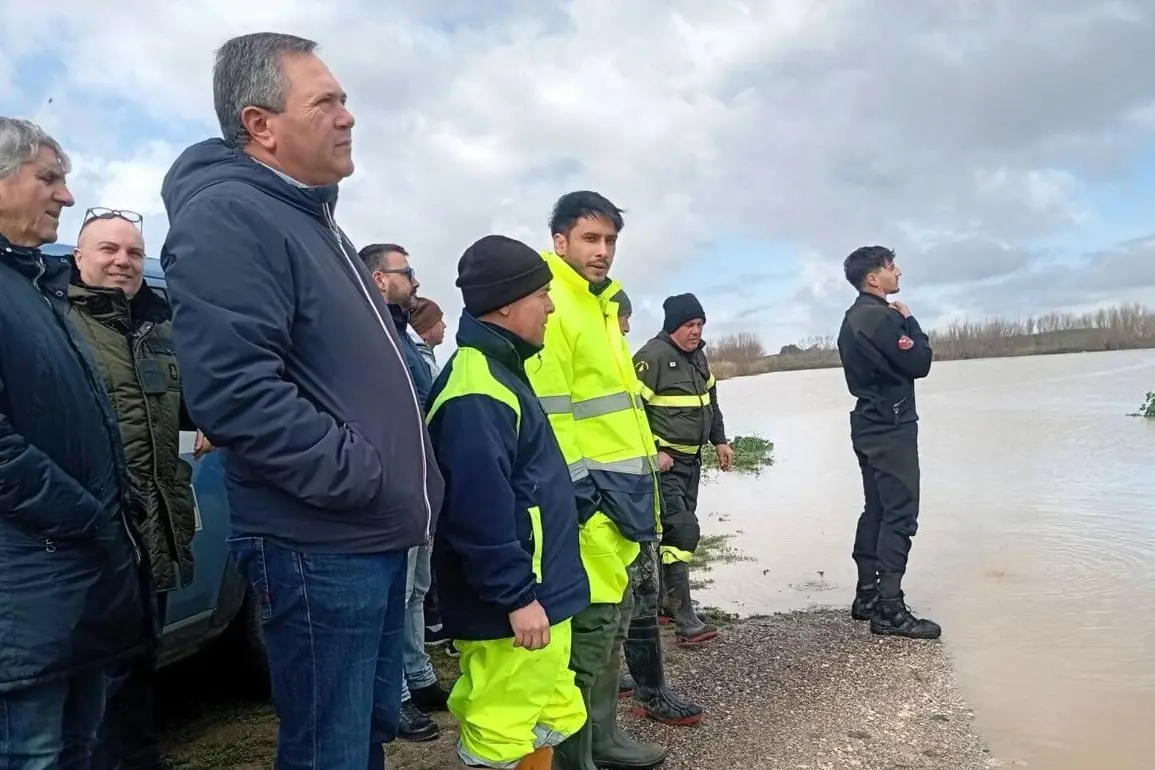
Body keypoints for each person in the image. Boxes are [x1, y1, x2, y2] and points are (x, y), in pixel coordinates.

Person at [158, 33, 444, 768]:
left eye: (345, 99)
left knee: (364, 733)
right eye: (326, 101)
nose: (347, 115)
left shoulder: (311, 219)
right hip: (322, 542)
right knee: (330, 749)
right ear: (261, 124)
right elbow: (234, 391)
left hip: (366, 534)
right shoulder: (228, 216)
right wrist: (358, 475)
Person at [0, 117, 147, 768]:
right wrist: (89, 517)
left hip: (75, 581)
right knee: (35, 754)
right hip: (27, 593)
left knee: (79, 749)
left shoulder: (36, 289)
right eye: (49, 178)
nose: (64, 195)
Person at [427, 234, 591, 770]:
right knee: (500, 729)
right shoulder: (476, 388)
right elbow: (477, 513)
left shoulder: (503, 370)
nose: (549, 306)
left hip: (541, 592)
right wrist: (516, 597)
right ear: (505, 303)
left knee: (545, 712)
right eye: (541, 294)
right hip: (514, 608)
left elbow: (527, 484)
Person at [527, 190, 677, 768]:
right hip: (590, 504)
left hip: (625, 499)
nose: (604, 251)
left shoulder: (600, 305)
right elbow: (553, 417)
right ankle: (576, 758)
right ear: (559, 241)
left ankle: (605, 739)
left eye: (611, 240)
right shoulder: (553, 304)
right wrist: (583, 500)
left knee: (614, 626)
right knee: (588, 636)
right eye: (591, 239)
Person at [67, 209, 205, 770]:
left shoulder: (159, 327)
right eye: (107, 249)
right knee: (99, 678)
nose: (122, 261)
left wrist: (212, 416)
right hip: (93, 537)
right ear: (79, 258)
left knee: (144, 660)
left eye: (132, 252)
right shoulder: (60, 323)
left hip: (157, 527)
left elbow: (185, 404)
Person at [359, 242, 449, 742]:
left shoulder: (399, 334)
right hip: (393, 488)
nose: (414, 281)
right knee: (393, 595)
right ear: (378, 278)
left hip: (418, 486)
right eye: (406, 272)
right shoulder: (371, 333)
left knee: (415, 589)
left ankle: (419, 677)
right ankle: (393, 697)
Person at [836, 246, 940, 640]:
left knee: (876, 510)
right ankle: (891, 610)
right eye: (889, 266)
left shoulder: (851, 319)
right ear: (872, 278)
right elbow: (920, 363)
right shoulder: (879, 317)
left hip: (867, 421)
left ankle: (867, 597)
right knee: (900, 514)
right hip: (890, 425)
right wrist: (911, 321)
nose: (897, 271)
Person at [632, 293, 734, 648]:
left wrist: (720, 441)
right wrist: (654, 449)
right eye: (690, 324)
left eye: (700, 324)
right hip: (665, 465)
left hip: (692, 462)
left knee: (673, 530)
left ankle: (664, 604)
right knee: (682, 529)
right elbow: (632, 409)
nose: (696, 331)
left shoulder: (698, 357)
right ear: (673, 325)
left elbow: (711, 402)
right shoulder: (651, 357)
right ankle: (685, 621)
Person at [410, 295, 446, 378]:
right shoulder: (423, 362)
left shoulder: (422, 359)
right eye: (439, 320)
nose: (444, 325)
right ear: (427, 325)